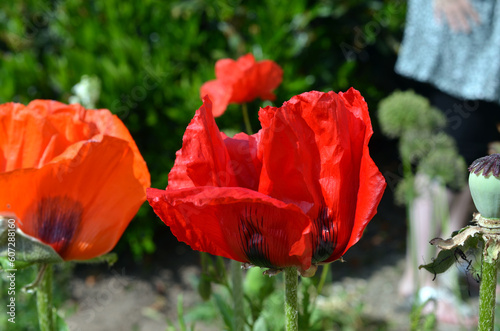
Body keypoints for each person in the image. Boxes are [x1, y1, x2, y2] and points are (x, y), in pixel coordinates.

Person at [394, 0, 500, 325]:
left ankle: (445, 274)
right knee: (454, 146)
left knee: (476, 148)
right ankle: (423, 282)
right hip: (466, 16)